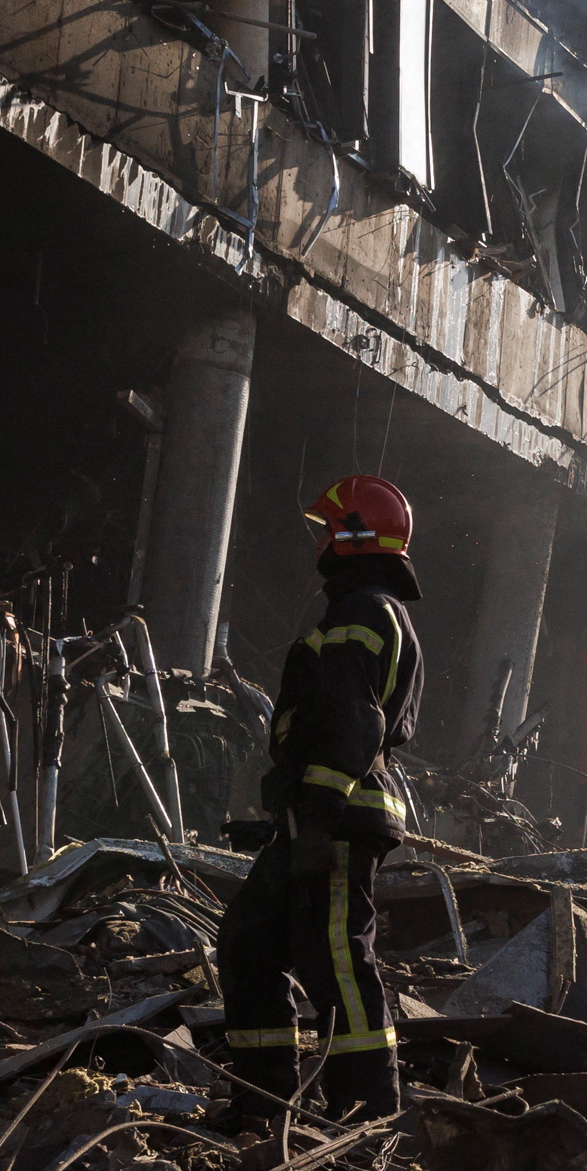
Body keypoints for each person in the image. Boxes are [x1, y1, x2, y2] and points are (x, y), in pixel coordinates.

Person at [208, 475, 425, 1122]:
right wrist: (289, 805)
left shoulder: (364, 613)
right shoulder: (358, 610)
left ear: (354, 537)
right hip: (317, 815)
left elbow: (354, 722)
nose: (320, 542)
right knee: (249, 939)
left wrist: (319, 813)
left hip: (339, 818)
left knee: (336, 958)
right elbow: (322, 722)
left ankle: (367, 1113)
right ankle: (262, 1104)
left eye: (330, 530)